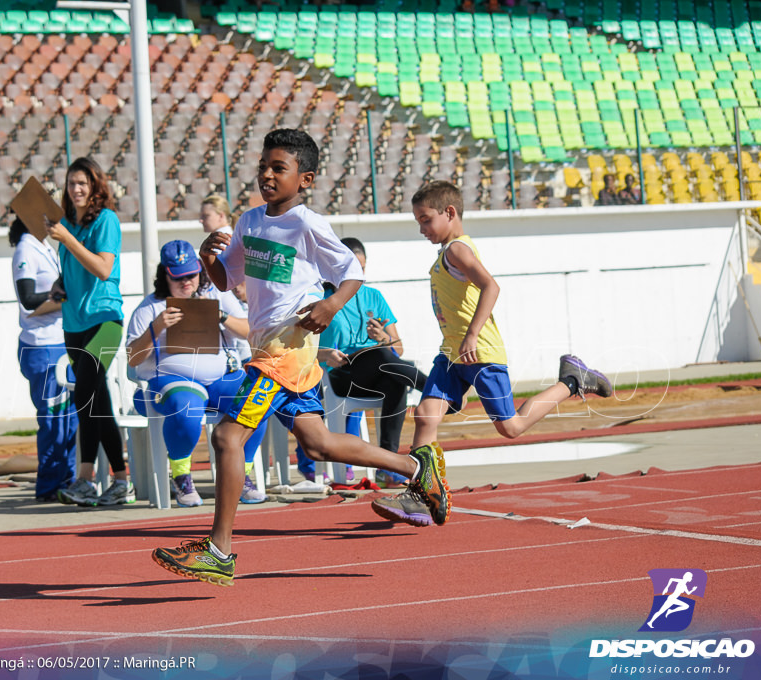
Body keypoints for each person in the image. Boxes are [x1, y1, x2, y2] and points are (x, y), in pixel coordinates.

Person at [151, 129, 449, 586]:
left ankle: (219, 551)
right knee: (318, 443)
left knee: (228, 439)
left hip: (284, 353)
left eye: (279, 168)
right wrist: (210, 258)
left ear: (304, 179)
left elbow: (350, 273)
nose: (267, 175)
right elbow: (228, 281)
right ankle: (416, 467)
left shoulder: (307, 224)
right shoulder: (250, 222)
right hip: (272, 348)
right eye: (263, 167)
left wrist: (330, 305)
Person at [370, 180, 614, 527]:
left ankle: (573, 381)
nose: (421, 229)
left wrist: (471, 336)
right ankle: (421, 494)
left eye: (425, 220)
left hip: (479, 352)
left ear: (449, 213)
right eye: (418, 222)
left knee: (510, 427)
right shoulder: (445, 254)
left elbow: (491, 286)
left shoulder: (457, 250)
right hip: (452, 354)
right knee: (426, 415)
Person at [125, 240, 267, 507]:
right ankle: (182, 478)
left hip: (220, 377)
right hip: (171, 380)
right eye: (178, 278)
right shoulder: (150, 307)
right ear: (164, 275)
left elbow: (252, 331)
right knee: (186, 406)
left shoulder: (217, 293)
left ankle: (241, 476)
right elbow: (133, 359)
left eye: (191, 275)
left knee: (258, 397)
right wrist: (155, 329)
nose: (186, 282)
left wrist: (221, 316)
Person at [303, 237, 428, 487]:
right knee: (382, 357)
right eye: (352, 268)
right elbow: (299, 349)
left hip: (376, 370)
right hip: (339, 375)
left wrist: (383, 338)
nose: (358, 274)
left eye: (362, 268)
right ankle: (436, 387)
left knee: (394, 380)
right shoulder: (320, 299)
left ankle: (386, 467)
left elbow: (397, 348)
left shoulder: (374, 296)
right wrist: (325, 354)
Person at [46, 157, 132, 507]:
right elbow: (73, 271)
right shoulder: (67, 223)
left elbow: (101, 267)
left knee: (84, 394)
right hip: (74, 322)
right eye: (71, 184)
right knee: (96, 400)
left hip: (105, 320)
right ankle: (119, 480)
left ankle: (87, 478)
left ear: (96, 186)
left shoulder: (106, 220)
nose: (76, 189)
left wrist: (66, 238)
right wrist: (59, 285)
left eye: (82, 183)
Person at [10, 217, 78, 503]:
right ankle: (50, 486)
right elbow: (27, 298)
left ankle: (69, 479)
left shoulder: (45, 247)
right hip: (42, 346)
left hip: (60, 342)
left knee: (70, 418)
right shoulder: (26, 248)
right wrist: (62, 295)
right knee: (53, 420)